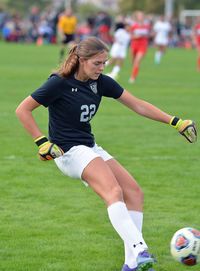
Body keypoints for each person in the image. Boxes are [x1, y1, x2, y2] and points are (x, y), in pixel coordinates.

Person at [16, 37, 197, 271]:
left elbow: (137, 104)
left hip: (89, 147)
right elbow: (23, 109)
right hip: (68, 152)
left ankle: (131, 265)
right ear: (81, 60)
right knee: (114, 191)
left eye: (104, 63)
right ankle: (140, 249)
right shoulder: (58, 83)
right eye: (97, 63)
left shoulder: (100, 82)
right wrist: (41, 142)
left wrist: (175, 121)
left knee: (134, 192)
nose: (102, 68)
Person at [129, 11, 151, 83]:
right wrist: (136, 36)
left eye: (142, 15)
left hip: (143, 45)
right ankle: (134, 73)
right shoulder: (133, 25)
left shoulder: (147, 26)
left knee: (137, 61)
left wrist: (148, 35)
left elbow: (150, 35)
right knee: (133, 62)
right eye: (139, 16)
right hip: (134, 45)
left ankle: (133, 77)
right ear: (137, 17)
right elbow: (130, 36)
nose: (141, 17)